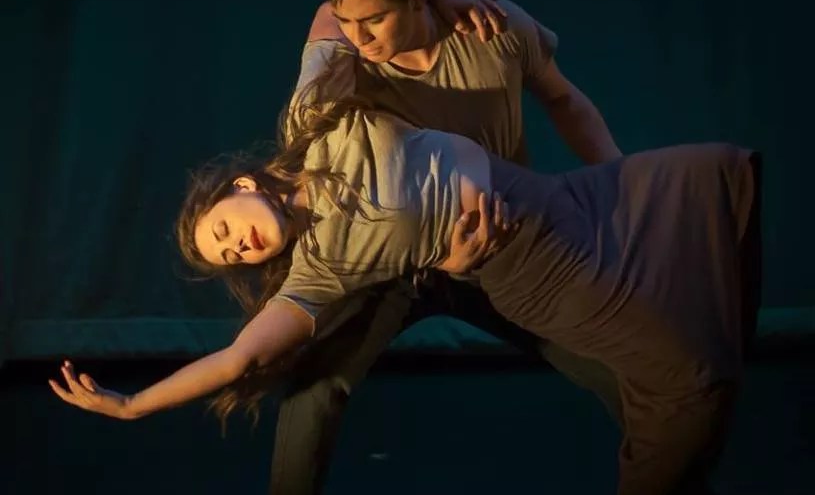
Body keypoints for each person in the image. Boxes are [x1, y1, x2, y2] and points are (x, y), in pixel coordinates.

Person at [49, 94, 762, 495]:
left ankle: (671, 445)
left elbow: (338, 7)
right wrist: (134, 404)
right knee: (316, 385)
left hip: (510, 235)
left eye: (226, 230)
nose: (239, 247)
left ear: (242, 186)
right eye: (231, 256)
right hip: (453, 266)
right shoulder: (315, 272)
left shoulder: (315, 125)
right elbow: (240, 358)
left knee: (673, 234)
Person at [268, 0, 626, 494]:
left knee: (615, 364)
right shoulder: (346, 60)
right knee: (315, 385)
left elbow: (565, 101)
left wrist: (621, 183)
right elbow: (327, 19)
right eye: (348, 21)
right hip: (390, 259)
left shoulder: (494, 31)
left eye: (374, 20)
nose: (359, 37)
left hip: (495, 237)